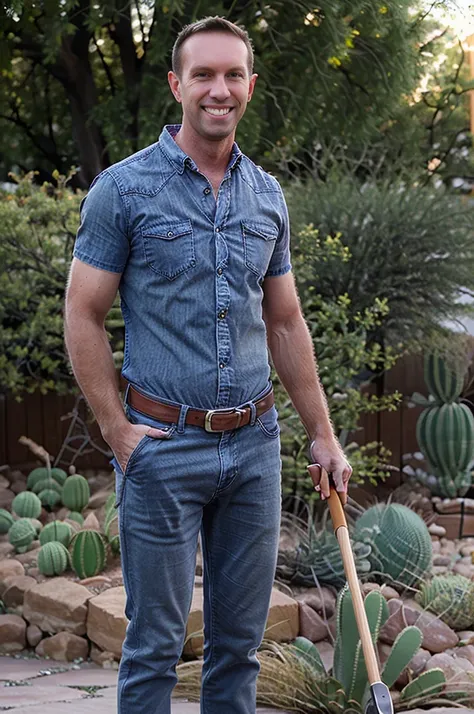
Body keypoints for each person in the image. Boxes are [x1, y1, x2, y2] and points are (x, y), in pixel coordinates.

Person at [64, 15, 352, 714]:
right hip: (163, 450)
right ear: (177, 85)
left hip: (254, 449)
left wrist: (322, 432)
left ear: (249, 87)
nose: (218, 90)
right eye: (203, 75)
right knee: (155, 648)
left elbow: (284, 321)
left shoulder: (267, 197)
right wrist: (118, 432)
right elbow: (82, 313)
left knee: (238, 651)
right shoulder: (124, 191)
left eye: (231, 75)